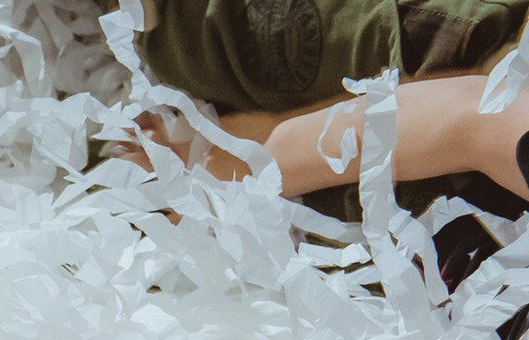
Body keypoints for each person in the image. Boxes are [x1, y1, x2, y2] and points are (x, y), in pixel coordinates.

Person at [123, 0, 529, 287]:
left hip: (413, 258)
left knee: (130, 206)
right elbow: (476, 120)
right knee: (205, 33)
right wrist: (252, 160)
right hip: (459, 66)